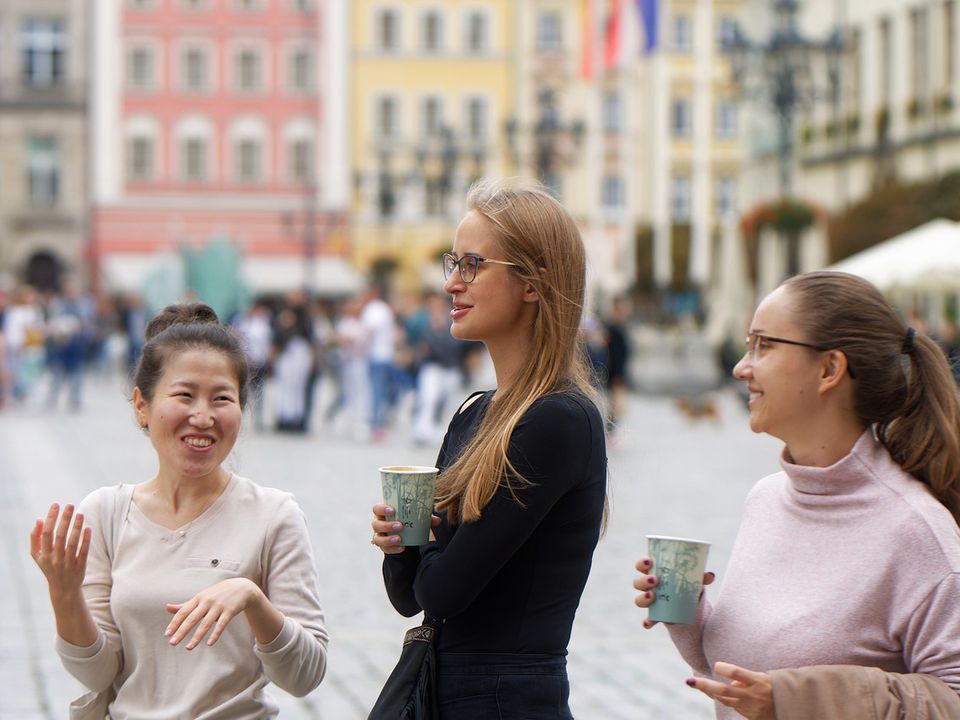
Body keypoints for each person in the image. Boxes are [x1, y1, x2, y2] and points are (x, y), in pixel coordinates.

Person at [633, 271, 960, 719]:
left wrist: (801, 697)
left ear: (829, 369)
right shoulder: (766, 498)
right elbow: (746, 684)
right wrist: (685, 613)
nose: (740, 367)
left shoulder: (918, 531)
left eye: (764, 345)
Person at [370, 179, 608, 719]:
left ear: (533, 282)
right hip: (450, 693)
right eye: (452, 263)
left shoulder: (558, 419)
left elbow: (444, 594)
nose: (452, 282)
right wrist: (399, 544)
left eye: (473, 265)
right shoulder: (474, 412)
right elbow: (411, 596)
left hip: (509, 701)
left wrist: (425, 545)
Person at [30, 303, 328, 718]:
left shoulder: (274, 515)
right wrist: (63, 594)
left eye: (222, 398)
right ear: (142, 406)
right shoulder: (106, 513)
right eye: (184, 395)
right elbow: (99, 674)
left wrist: (253, 600)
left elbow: (304, 676)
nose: (203, 416)